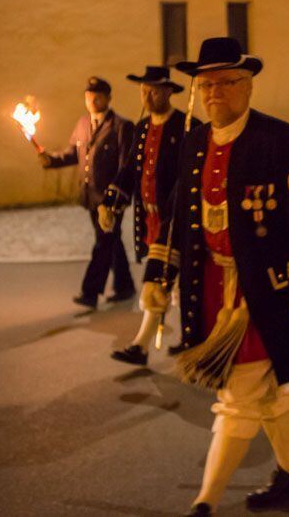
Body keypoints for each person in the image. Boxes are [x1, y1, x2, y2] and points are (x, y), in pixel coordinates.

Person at [141, 37, 289, 515]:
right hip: (208, 289)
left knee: (239, 395)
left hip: (263, 292)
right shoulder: (195, 141)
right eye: (206, 83)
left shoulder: (279, 139)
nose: (214, 92)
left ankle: (206, 500)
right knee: (263, 393)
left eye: (226, 82)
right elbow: (177, 213)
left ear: (247, 86)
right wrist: (159, 273)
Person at [100, 65, 200, 365]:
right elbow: (131, 169)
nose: (147, 95)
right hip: (151, 219)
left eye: (154, 89)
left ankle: (150, 344)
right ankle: (183, 340)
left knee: (167, 280)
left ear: (169, 91)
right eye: (144, 89)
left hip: (179, 217)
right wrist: (110, 201)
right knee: (166, 280)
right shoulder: (142, 128)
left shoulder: (187, 126)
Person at [40, 77, 135, 308]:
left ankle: (90, 292)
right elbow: (73, 154)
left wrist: (116, 197)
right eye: (89, 96)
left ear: (108, 98)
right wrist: (51, 160)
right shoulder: (83, 123)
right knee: (111, 240)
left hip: (111, 198)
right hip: (90, 196)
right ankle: (125, 286)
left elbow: (126, 166)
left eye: (98, 95)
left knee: (103, 242)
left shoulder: (122, 126)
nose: (93, 100)